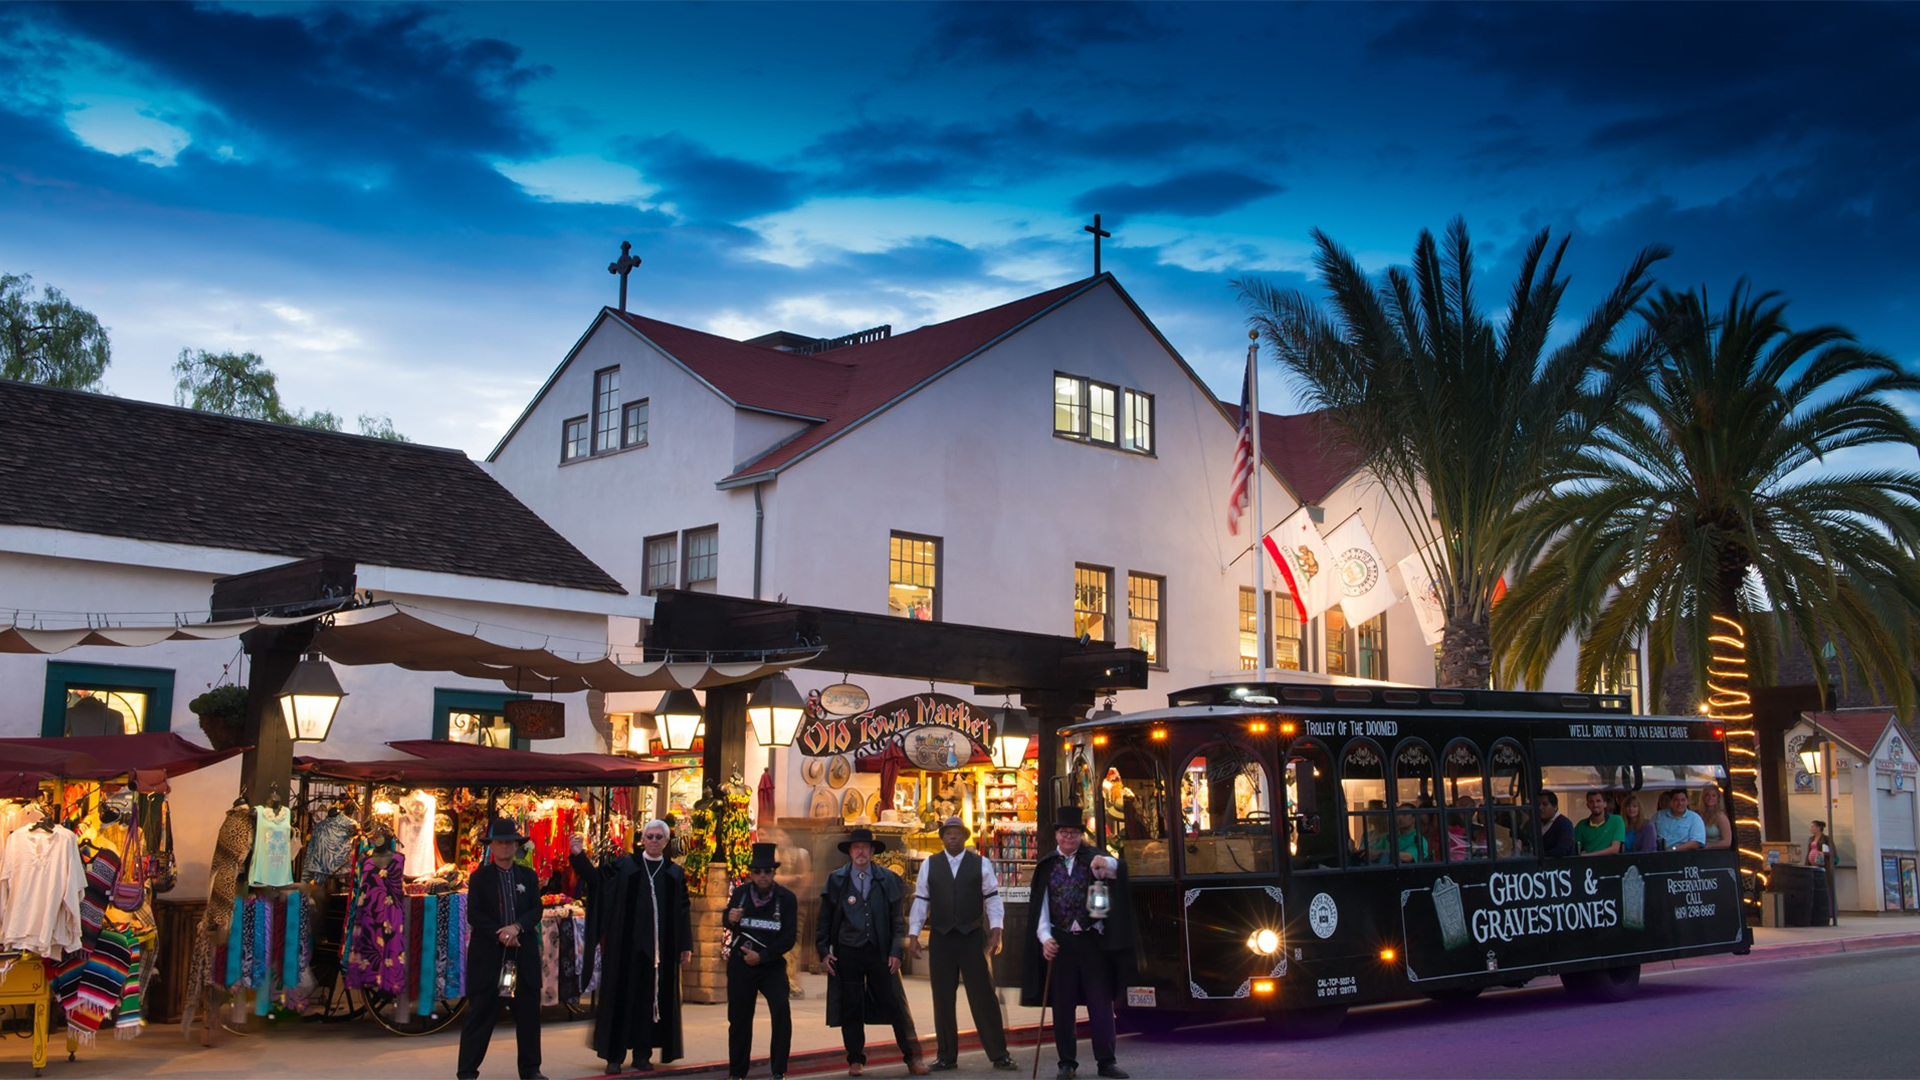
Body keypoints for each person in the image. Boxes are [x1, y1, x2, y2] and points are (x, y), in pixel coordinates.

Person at [1021, 805, 1136, 1080]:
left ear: (1080, 835)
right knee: (1063, 1005)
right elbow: (1041, 908)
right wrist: (1045, 939)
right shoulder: (1047, 866)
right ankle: (1067, 1063)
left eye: (1073, 833)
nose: (1068, 837)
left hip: (1092, 942)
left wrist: (1105, 863)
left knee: (1100, 1002)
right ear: (1057, 835)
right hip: (1061, 942)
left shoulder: (1094, 858)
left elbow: (1120, 869)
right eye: (1064, 832)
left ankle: (1106, 1061)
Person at [570, 820, 693, 1073]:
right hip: (625, 948)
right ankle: (614, 1057)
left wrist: (685, 945)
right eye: (650, 836)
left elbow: (683, 913)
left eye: (659, 837)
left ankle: (642, 1055)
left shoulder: (674, 873)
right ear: (643, 839)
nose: (655, 840)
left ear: (666, 841)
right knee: (620, 998)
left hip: (659, 953)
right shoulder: (625, 866)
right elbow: (596, 881)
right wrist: (578, 857)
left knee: (650, 1002)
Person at [816, 826, 928, 1077]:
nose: (860, 852)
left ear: (872, 851)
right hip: (848, 952)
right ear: (850, 852)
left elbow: (897, 920)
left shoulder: (888, 879)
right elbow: (823, 919)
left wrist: (896, 951)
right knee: (851, 1006)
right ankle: (855, 1060)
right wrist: (823, 950)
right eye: (856, 848)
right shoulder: (836, 880)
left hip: (879, 951)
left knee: (895, 1004)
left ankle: (913, 1058)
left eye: (865, 847)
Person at [907, 817, 1016, 1072]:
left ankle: (999, 1054)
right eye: (948, 834)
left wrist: (997, 930)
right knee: (942, 998)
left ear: (965, 838)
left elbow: (991, 898)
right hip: (942, 937)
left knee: (984, 997)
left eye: (957, 833)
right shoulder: (929, 864)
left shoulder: (981, 864)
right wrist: (913, 935)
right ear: (943, 838)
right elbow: (921, 900)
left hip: (972, 936)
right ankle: (946, 1056)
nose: (952, 837)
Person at [458, 818, 545, 1080]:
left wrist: (517, 928)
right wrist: (502, 933)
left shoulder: (528, 876)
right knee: (480, 1016)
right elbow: (474, 914)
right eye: (500, 842)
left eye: (510, 842)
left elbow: (536, 909)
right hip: (489, 958)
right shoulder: (480, 877)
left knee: (529, 1016)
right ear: (491, 846)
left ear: (516, 845)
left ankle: (531, 1070)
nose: (505, 846)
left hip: (522, 955)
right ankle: (467, 1072)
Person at [724, 843, 797, 1080]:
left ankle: (778, 1070)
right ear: (751, 873)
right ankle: (737, 1073)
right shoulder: (740, 894)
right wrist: (729, 918)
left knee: (781, 1011)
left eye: (767, 871)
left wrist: (763, 957)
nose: (762, 876)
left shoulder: (786, 899)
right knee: (739, 1019)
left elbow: (788, 938)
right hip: (741, 966)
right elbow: (727, 920)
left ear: (774, 873)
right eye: (757, 871)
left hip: (771, 965)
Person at [1574, 790, 1625, 856]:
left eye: (1598, 801)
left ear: (1605, 804)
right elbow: (1576, 851)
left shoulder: (1617, 820)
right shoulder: (1581, 825)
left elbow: (1615, 849)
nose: (1595, 805)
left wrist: (1589, 855)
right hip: (1587, 864)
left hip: (1610, 863)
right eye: (1591, 802)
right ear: (1587, 805)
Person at [1537, 792, 1576, 858]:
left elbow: (1561, 851)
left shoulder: (1565, 824)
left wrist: (1537, 857)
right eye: (1538, 805)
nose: (1540, 807)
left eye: (1544, 804)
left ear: (1555, 806)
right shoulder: (1534, 824)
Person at [1698, 784, 1734, 850]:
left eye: (1713, 795)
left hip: (1717, 854)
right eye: (1707, 795)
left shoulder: (1720, 816)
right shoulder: (1700, 815)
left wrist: (1707, 846)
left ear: (1718, 798)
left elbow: (1727, 842)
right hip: (1702, 853)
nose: (1710, 798)